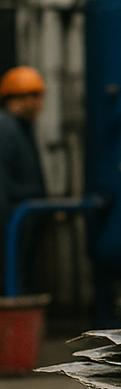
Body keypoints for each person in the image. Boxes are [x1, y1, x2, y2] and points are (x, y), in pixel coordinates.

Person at [0, 66, 47, 288]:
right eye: (32, 96)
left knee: (21, 276)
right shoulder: (5, 129)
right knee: (11, 276)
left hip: (24, 219)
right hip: (12, 221)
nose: (36, 103)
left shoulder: (23, 129)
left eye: (37, 96)